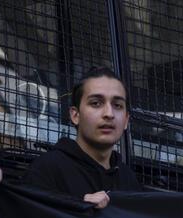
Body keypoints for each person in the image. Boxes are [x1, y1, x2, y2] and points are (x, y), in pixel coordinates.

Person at [24, 67, 142, 205]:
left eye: (117, 105)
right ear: (75, 115)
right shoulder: (47, 170)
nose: (109, 114)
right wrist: (79, 207)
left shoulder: (129, 181)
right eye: (96, 103)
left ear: (126, 120)